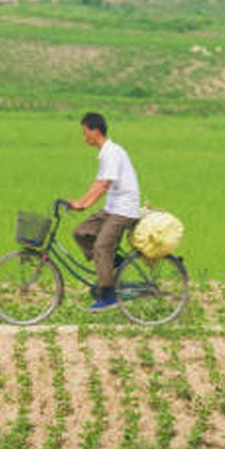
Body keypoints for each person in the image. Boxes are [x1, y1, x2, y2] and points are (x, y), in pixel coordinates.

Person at [67, 113, 141, 311]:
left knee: (101, 247)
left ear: (95, 131)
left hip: (124, 210)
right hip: (112, 208)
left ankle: (108, 296)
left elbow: (104, 185)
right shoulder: (105, 153)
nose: (84, 138)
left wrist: (84, 205)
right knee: (81, 232)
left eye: (85, 133)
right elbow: (97, 183)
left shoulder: (112, 153)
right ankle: (113, 262)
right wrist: (80, 201)